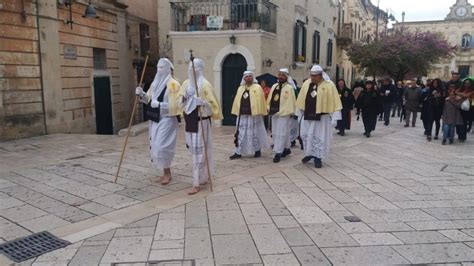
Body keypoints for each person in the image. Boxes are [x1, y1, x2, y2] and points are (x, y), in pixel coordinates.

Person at [180, 58, 223, 195]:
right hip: (190, 121)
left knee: (199, 152)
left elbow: (214, 107)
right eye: (190, 67)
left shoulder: (205, 85)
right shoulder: (186, 84)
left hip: (201, 121)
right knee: (194, 150)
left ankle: (196, 183)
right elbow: (180, 102)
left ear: (200, 69)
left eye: (195, 67)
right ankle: (203, 176)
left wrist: (203, 103)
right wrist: (185, 99)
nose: (192, 70)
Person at [135, 58, 181, 185]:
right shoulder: (154, 84)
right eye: (158, 67)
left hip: (168, 119)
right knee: (155, 145)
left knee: (162, 146)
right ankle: (166, 172)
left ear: (167, 69)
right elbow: (149, 100)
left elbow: (177, 105)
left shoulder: (174, 84)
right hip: (155, 118)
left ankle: (167, 173)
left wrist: (160, 105)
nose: (159, 70)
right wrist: (142, 94)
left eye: (162, 67)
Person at [296, 65, 342, 168]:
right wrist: (299, 115)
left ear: (321, 75)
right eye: (311, 75)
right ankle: (309, 154)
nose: (313, 78)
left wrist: (335, 118)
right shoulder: (306, 84)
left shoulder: (329, 85)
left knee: (319, 137)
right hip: (307, 116)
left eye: (315, 76)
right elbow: (301, 99)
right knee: (306, 136)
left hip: (321, 118)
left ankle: (318, 157)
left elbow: (335, 102)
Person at [229, 71, 269, 160]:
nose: (248, 78)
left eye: (250, 76)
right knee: (240, 133)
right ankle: (237, 151)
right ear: (244, 78)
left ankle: (257, 150)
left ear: (253, 77)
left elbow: (260, 100)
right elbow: (237, 101)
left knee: (255, 132)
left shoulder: (257, 87)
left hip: (253, 115)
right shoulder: (240, 88)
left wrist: (259, 111)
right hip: (242, 115)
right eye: (246, 77)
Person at [267, 68, 297, 163]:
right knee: (276, 132)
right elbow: (270, 99)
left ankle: (278, 152)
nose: (280, 76)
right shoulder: (274, 86)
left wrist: (288, 112)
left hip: (284, 114)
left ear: (286, 77)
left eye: (283, 75)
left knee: (281, 132)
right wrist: (268, 108)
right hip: (274, 114)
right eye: (279, 74)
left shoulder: (289, 88)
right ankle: (286, 149)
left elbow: (291, 101)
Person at [456, 78, 474, 142]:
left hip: (467, 109)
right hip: (459, 108)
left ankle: (462, 137)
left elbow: (468, 96)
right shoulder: (461, 89)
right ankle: (459, 134)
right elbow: (456, 93)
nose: (466, 84)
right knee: (458, 123)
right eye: (465, 83)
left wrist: (461, 96)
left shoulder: (472, 90)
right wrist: (462, 96)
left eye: (468, 83)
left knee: (464, 123)